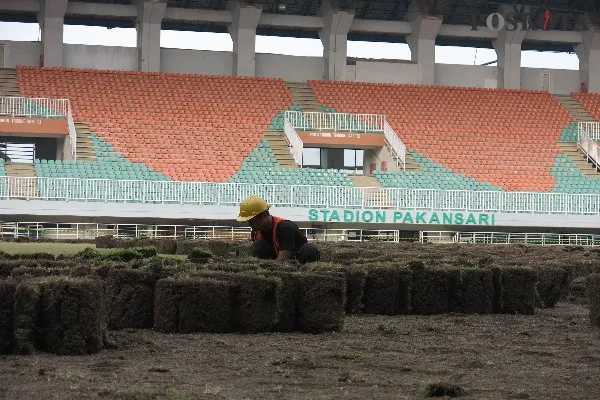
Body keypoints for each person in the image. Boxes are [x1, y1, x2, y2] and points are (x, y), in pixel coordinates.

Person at [236, 195, 320, 263]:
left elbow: (283, 259)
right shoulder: (255, 232)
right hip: (276, 258)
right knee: (258, 246)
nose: (250, 224)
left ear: (264, 215)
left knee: (310, 249)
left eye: (252, 220)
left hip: (297, 258)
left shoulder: (285, 227)